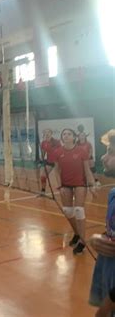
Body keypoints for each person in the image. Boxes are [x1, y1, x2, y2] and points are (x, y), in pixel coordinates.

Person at [54, 128, 96, 255]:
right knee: (67, 211)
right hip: (65, 184)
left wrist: (92, 184)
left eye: (69, 134)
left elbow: (87, 170)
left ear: (74, 137)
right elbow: (56, 170)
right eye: (64, 134)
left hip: (80, 183)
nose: (66, 136)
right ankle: (77, 233)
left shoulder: (81, 151)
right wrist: (60, 186)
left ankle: (82, 242)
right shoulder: (58, 152)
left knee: (79, 210)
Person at [89, 129, 115, 317]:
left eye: (111, 152)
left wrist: (107, 305)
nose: (104, 158)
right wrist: (101, 237)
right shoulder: (113, 193)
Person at [39, 129, 61, 196]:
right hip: (49, 161)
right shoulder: (43, 143)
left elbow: (61, 151)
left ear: (51, 133)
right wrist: (41, 160)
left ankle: (63, 190)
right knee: (43, 176)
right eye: (45, 133)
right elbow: (43, 152)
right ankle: (43, 191)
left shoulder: (56, 141)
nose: (47, 134)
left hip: (58, 161)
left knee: (59, 176)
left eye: (48, 132)